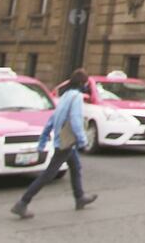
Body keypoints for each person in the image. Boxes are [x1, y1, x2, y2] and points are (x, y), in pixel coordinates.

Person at [11, 68, 97, 219]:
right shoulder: (76, 97)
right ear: (82, 83)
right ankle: (23, 202)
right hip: (65, 142)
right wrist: (83, 140)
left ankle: (80, 197)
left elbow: (53, 118)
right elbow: (76, 120)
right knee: (48, 175)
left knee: (76, 167)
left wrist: (44, 138)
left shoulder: (65, 95)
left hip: (63, 141)